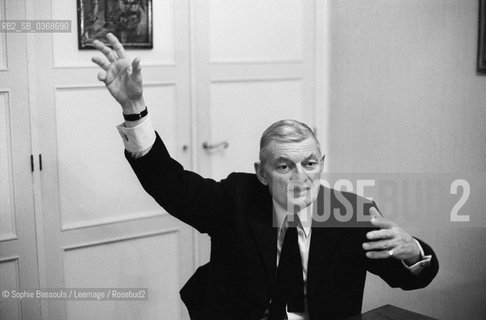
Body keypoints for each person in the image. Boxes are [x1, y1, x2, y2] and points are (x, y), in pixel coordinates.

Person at [91, 34, 439, 320]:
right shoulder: (235, 198)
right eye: (284, 166)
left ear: (322, 164)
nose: (300, 177)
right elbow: (169, 183)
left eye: (310, 164)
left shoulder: (352, 213)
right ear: (261, 172)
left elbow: (410, 278)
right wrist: (134, 108)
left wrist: (414, 252)